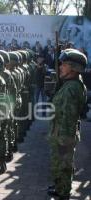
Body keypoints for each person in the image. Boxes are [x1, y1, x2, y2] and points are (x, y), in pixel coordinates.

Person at [47, 49, 87, 199]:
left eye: (64, 65)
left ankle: (63, 192)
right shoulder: (71, 83)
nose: (60, 67)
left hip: (64, 134)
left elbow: (68, 117)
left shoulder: (71, 88)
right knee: (59, 164)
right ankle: (60, 186)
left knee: (64, 165)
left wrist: (62, 141)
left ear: (74, 68)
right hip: (60, 132)